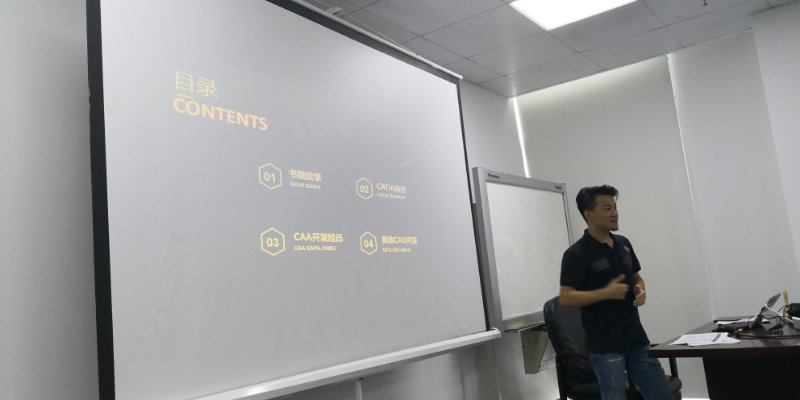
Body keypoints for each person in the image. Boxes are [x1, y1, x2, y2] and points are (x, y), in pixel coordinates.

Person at [559, 185, 672, 400]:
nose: (615, 213)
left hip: (636, 338)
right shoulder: (576, 254)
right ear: (589, 214)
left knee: (661, 394)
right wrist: (605, 293)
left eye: (615, 207)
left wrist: (641, 290)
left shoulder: (623, 243)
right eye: (607, 208)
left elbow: (636, 277)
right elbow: (566, 297)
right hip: (605, 345)